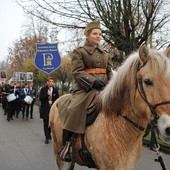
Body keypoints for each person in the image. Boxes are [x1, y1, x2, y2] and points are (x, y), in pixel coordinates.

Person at [58, 20, 113, 161]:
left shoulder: (105, 53)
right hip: (85, 89)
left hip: (105, 88)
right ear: (87, 35)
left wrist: (112, 84)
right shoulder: (79, 52)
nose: (98, 36)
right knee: (74, 109)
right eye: (95, 33)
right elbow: (77, 72)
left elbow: (109, 72)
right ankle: (66, 145)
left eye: (100, 34)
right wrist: (93, 82)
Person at [39, 77, 59, 144]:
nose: (51, 82)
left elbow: (57, 99)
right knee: (45, 123)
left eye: (52, 81)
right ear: (47, 82)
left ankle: (48, 132)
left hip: (52, 110)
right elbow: (40, 98)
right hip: (45, 109)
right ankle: (47, 137)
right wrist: (46, 95)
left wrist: (52, 102)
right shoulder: (43, 89)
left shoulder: (55, 90)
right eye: (50, 81)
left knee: (52, 123)